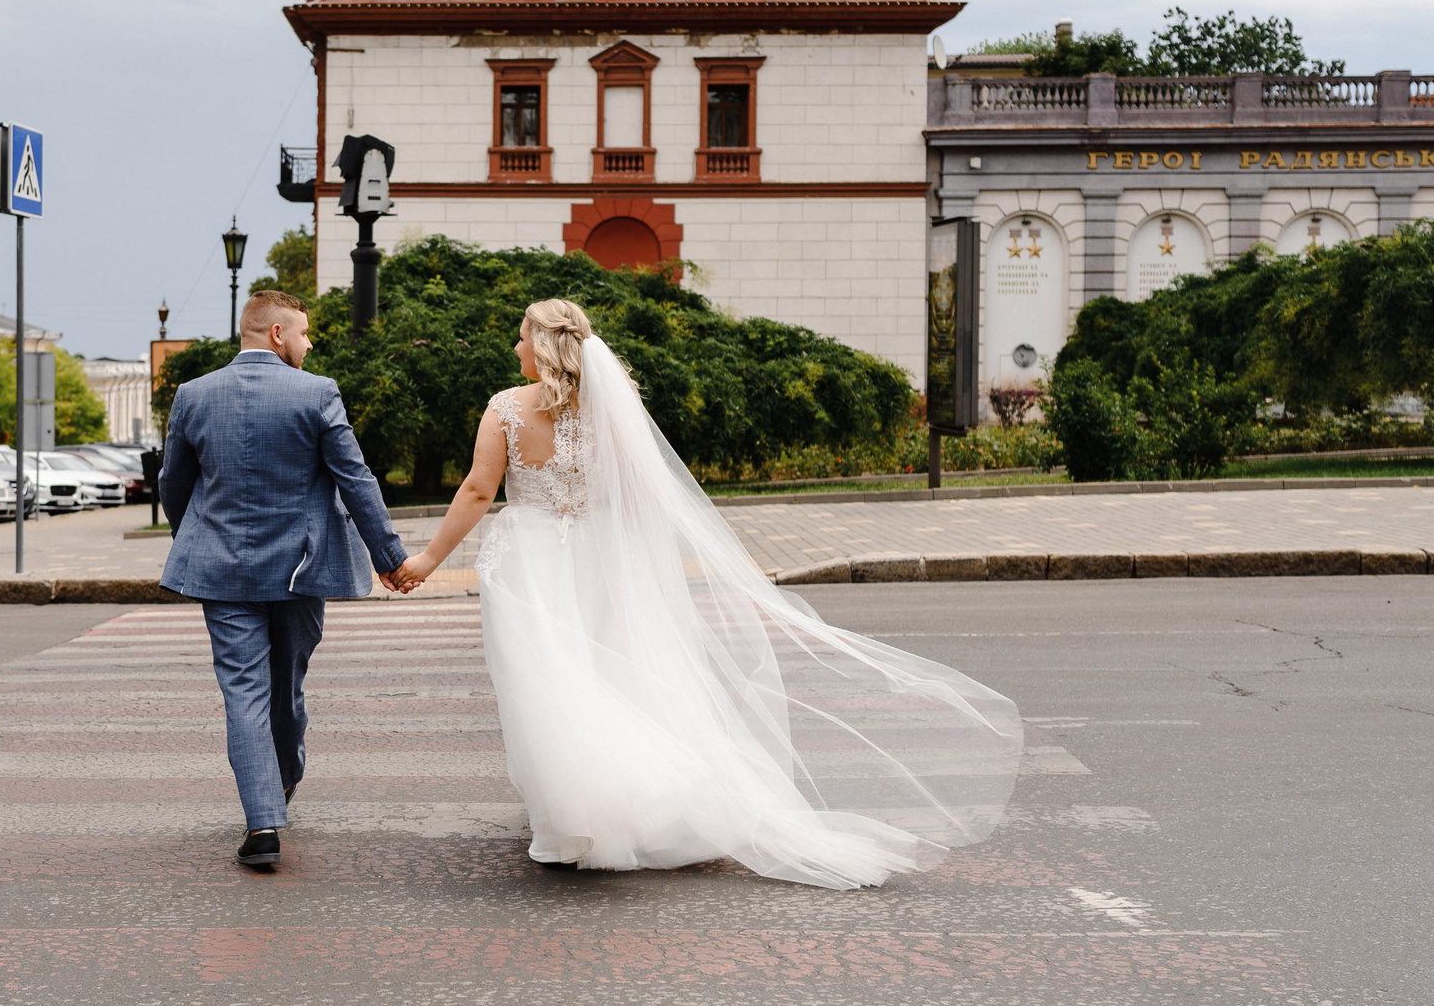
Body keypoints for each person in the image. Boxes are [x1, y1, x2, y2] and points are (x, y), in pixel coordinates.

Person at [391, 299, 1023, 886]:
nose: (514, 346)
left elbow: (478, 491)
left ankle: (571, 824)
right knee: (607, 677)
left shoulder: (506, 407)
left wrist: (426, 559)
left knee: (547, 685)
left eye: (522, 335)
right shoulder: (611, 406)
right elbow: (643, 493)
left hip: (533, 562)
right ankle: (616, 809)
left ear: (542, 345)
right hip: (600, 560)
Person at [158, 290, 412, 870]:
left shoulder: (193, 396)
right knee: (287, 686)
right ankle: (281, 785)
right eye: (302, 332)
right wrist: (389, 555)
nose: (309, 342)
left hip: (222, 570)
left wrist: (194, 538)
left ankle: (264, 820)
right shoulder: (317, 392)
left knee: (244, 693)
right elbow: (357, 479)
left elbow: (175, 484)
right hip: (302, 569)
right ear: (276, 333)